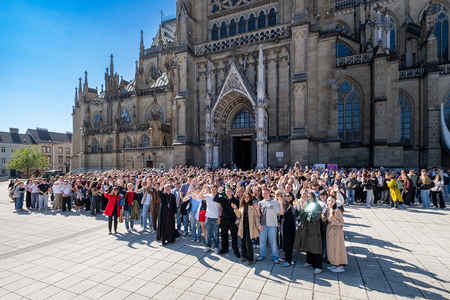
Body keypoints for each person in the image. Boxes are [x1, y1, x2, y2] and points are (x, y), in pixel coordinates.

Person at [294, 191, 323, 275]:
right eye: (308, 197)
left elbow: (316, 217)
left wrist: (309, 212)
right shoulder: (307, 204)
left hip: (314, 228)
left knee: (314, 246)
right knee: (307, 244)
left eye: (310, 197)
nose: (309, 199)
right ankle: (309, 261)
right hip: (305, 228)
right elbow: (301, 215)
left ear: (313, 197)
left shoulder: (317, 206)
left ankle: (318, 266)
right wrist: (302, 208)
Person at [232, 191, 262, 265]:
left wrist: (258, 225)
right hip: (243, 227)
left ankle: (250, 258)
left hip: (250, 227)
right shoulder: (241, 206)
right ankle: (244, 256)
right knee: (243, 242)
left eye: (247, 197)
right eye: (244, 197)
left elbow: (256, 217)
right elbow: (239, 215)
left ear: (250, 198)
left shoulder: (252, 206)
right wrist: (235, 208)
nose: (246, 198)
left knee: (248, 242)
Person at [257, 188, 284, 264]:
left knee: (273, 242)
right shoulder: (260, 203)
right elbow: (258, 215)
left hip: (272, 225)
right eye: (263, 193)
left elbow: (281, 213)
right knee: (262, 241)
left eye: (266, 193)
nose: (265, 195)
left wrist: (281, 204)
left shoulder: (275, 203)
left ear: (269, 193)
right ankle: (262, 255)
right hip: (263, 225)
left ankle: (275, 256)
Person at [214, 186, 240, 257]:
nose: (228, 192)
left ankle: (235, 250)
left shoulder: (236, 200)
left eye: (229, 191)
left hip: (232, 220)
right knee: (224, 235)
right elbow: (215, 199)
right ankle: (225, 249)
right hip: (224, 220)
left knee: (234, 236)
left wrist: (238, 221)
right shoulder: (223, 199)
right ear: (225, 192)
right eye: (227, 191)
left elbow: (239, 211)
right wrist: (218, 192)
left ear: (232, 191)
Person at [323, 196, 347, 272]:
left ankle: (340, 266)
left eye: (332, 201)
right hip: (330, 231)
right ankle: (335, 263)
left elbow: (341, 222)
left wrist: (332, 220)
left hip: (336, 231)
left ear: (335, 202)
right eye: (329, 200)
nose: (330, 202)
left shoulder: (336, 210)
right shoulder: (327, 209)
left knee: (337, 248)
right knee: (331, 248)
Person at [198, 184, 221, 253]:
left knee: (216, 233)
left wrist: (219, 217)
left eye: (215, 189)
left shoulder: (219, 197)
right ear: (210, 190)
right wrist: (203, 189)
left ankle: (216, 247)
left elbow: (220, 209)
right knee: (208, 233)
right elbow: (199, 196)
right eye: (212, 189)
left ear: (216, 190)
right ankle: (208, 246)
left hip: (216, 218)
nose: (213, 191)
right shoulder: (208, 196)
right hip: (208, 217)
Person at [280, 192, 298, 267]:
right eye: (286, 196)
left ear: (292, 196)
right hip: (283, 224)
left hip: (290, 225)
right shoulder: (285, 204)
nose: (287, 197)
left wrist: (295, 206)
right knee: (284, 240)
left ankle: (288, 260)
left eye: (289, 195)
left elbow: (295, 214)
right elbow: (282, 214)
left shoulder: (294, 204)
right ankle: (286, 253)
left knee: (288, 242)